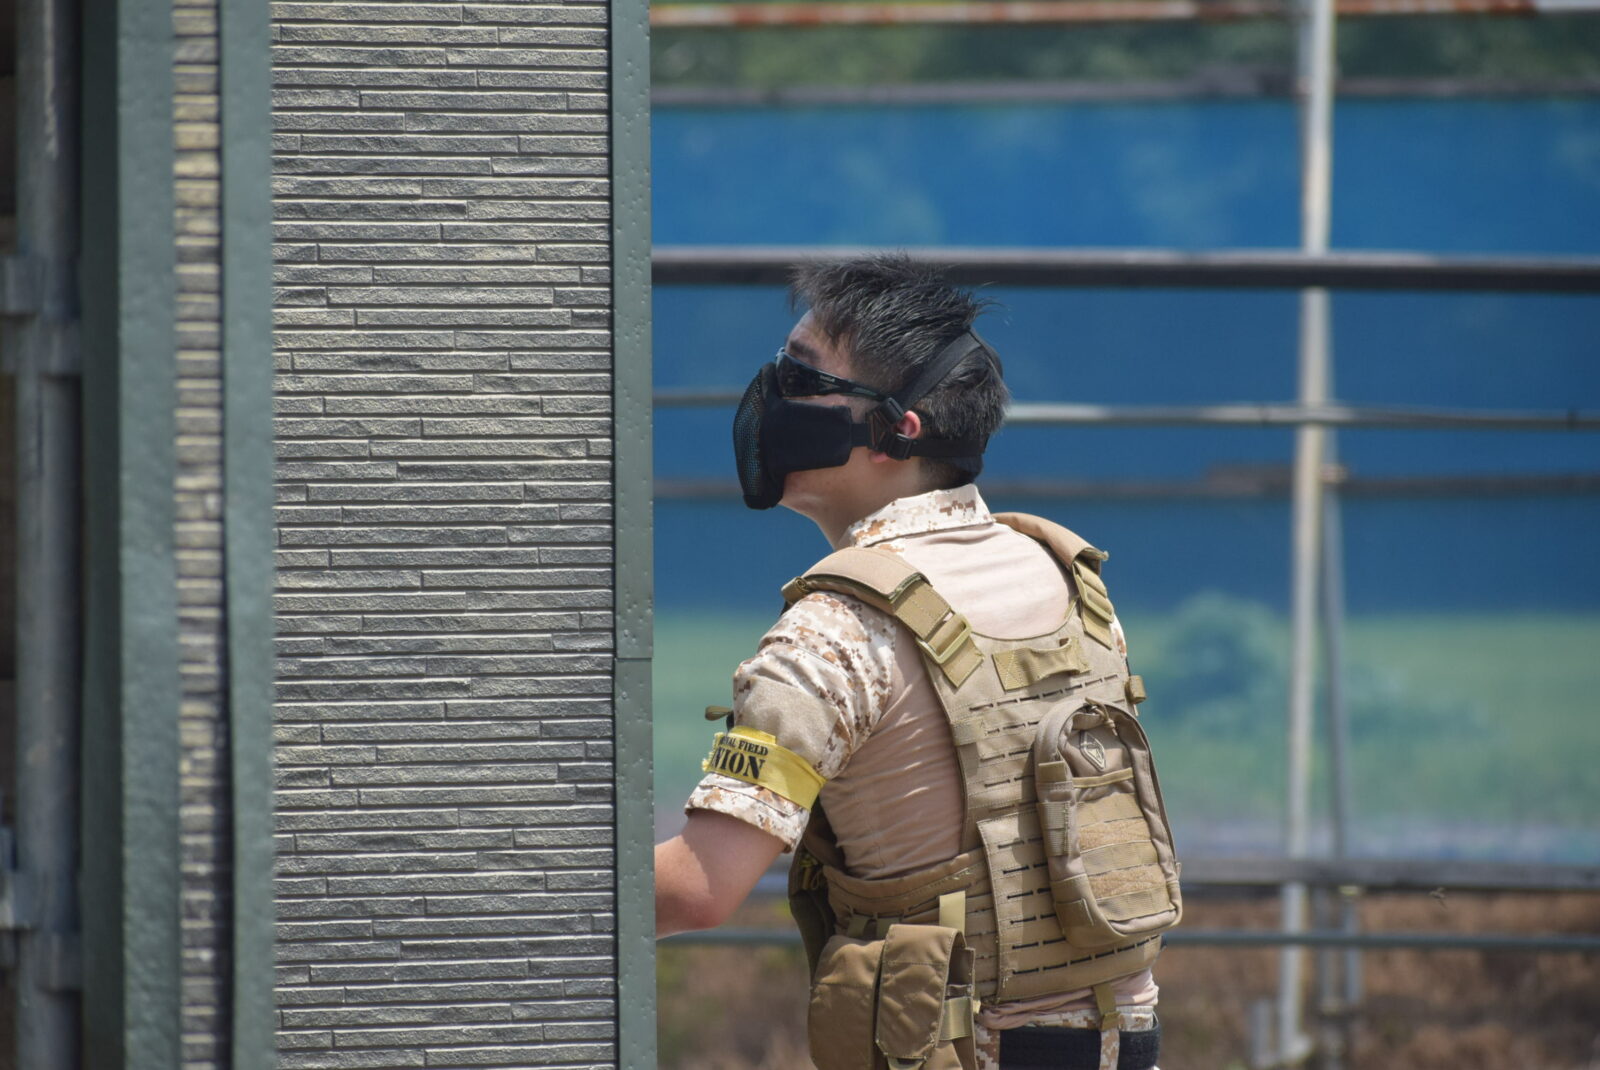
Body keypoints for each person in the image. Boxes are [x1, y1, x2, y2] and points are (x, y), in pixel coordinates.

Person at [655, 255, 1176, 1070]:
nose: (772, 393)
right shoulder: (1064, 573)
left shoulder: (833, 635)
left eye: (801, 376)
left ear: (897, 431)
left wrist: (502, 891)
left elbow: (697, 888)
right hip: (1127, 1038)